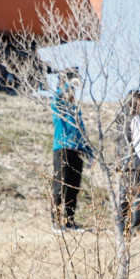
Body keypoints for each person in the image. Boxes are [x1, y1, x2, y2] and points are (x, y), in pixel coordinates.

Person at [51, 71, 94, 232]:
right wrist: (68, 83)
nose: (72, 94)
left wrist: (89, 152)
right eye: (70, 91)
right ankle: (56, 222)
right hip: (62, 148)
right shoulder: (58, 107)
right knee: (60, 186)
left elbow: (81, 132)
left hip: (77, 151)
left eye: (74, 91)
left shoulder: (76, 111)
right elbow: (56, 98)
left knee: (74, 188)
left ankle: (70, 222)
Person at [115, 90, 140, 236]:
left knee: (124, 196)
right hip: (135, 163)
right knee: (137, 197)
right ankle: (134, 228)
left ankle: (122, 227)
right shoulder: (134, 117)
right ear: (135, 101)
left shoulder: (119, 117)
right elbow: (138, 143)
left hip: (123, 162)